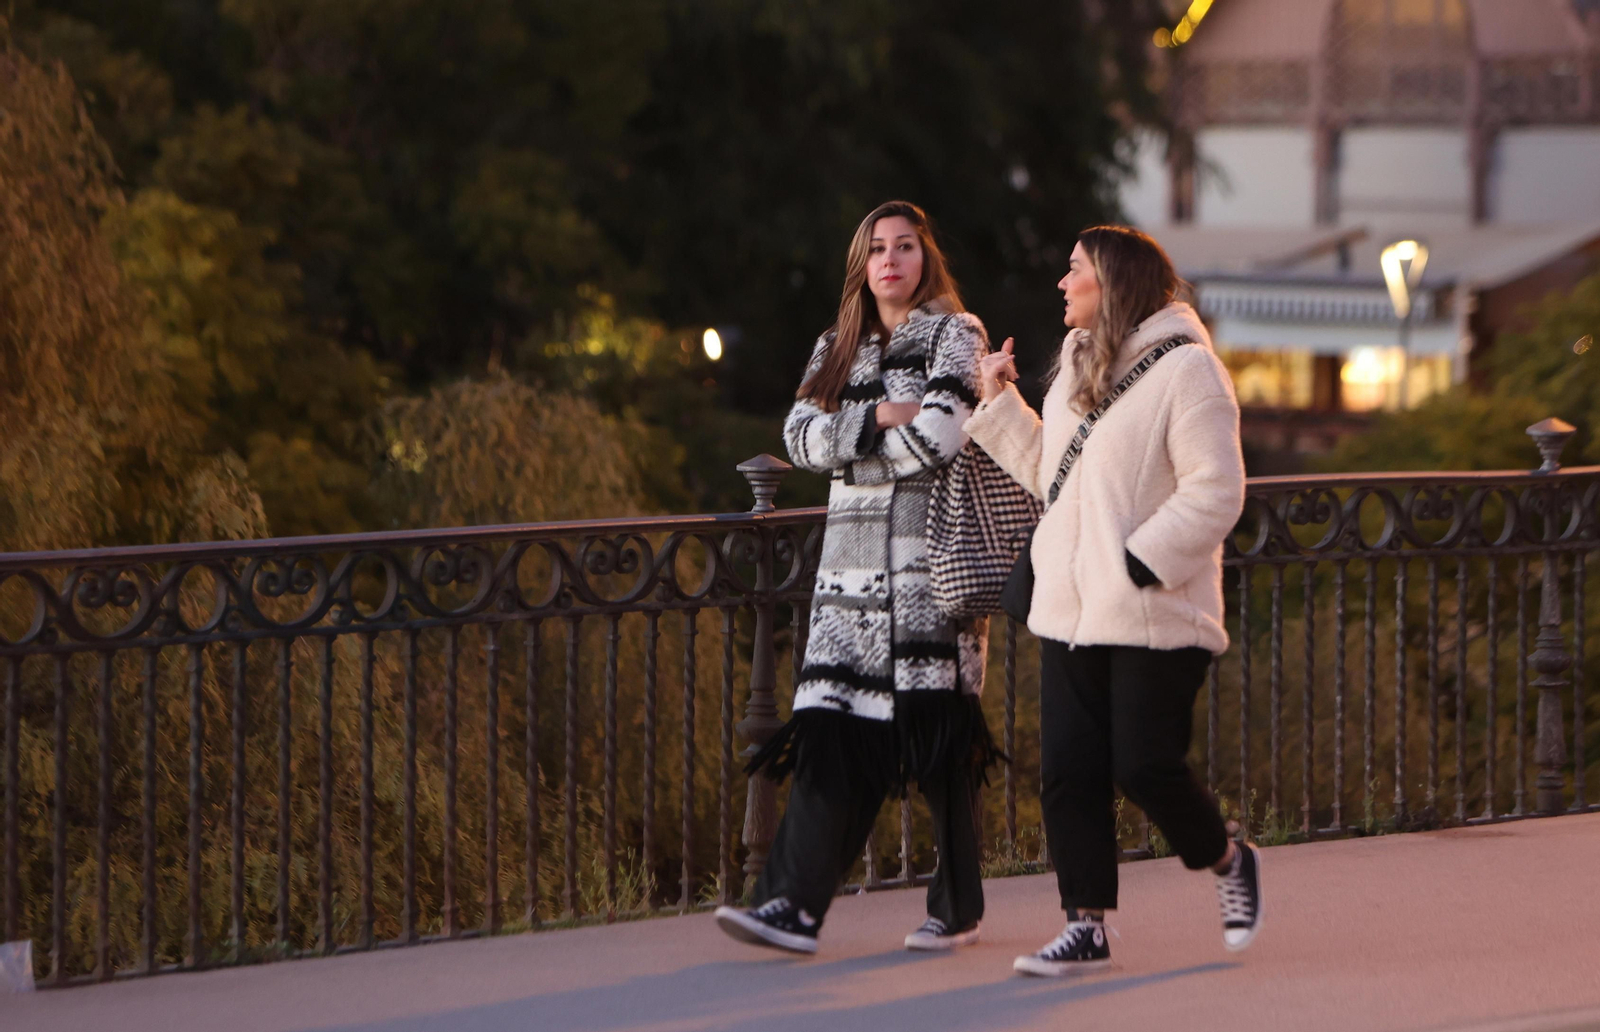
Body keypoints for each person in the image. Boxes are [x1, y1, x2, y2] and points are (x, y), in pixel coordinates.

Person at [963, 225, 1262, 976]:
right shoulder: (1073, 365)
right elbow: (1051, 476)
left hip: (1153, 609)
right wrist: (996, 400)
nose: (1061, 284)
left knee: (1145, 766)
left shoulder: (1190, 371)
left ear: (1113, 281)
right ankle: (1085, 926)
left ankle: (1228, 859)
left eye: (1074, 272)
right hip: (1070, 606)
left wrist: (1136, 563)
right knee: (1067, 769)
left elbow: (1217, 491)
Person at [714, 200, 1001, 955]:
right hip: (845, 586)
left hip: (925, 578)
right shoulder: (834, 346)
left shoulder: (955, 334)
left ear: (925, 257)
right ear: (861, 264)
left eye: (905, 246)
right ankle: (792, 907)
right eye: (877, 248)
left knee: (940, 745)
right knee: (836, 737)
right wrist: (875, 420)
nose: (891, 260)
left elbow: (941, 436)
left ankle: (955, 907)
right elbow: (799, 439)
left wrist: (851, 440)